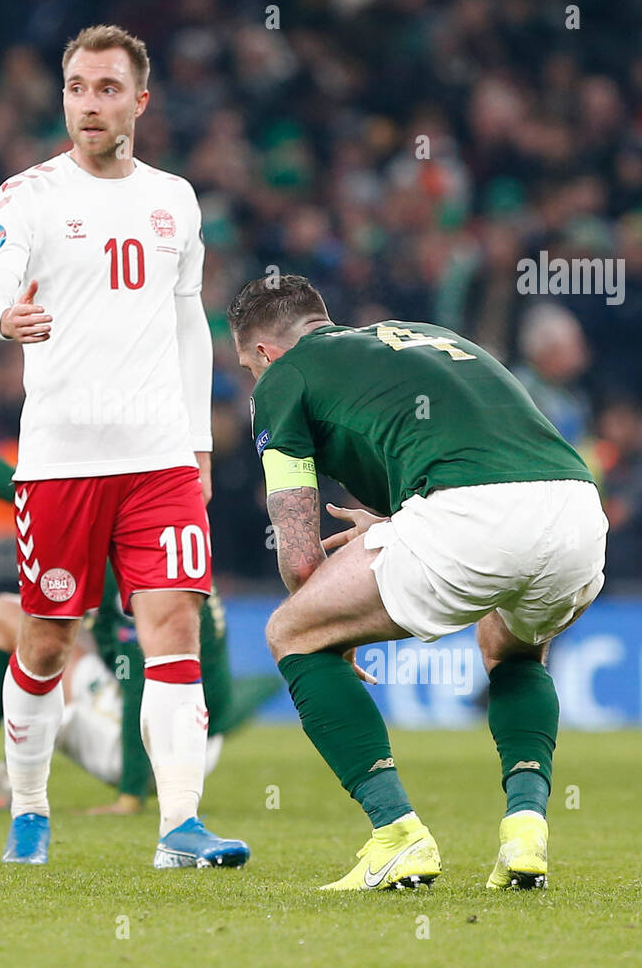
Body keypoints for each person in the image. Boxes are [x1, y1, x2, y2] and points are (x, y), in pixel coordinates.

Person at [0, 24, 247, 867]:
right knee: (49, 638)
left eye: (107, 89)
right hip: (61, 459)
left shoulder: (175, 199)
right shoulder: (26, 195)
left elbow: (188, 324)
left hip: (157, 456)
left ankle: (178, 829)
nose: (90, 104)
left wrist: (197, 441)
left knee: (174, 625)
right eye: (78, 88)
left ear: (140, 101)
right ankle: (27, 807)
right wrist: (2, 319)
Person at [228, 275, 607, 891]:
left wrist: (334, 624)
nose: (255, 379)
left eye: (249, 367)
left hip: (473, 516)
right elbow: (475, 448)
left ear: (266, 353)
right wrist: (395, 525)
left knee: (293, 633)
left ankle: (397, 835)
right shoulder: (425, 338)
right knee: (511, 649)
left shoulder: (283, 377)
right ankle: (526, 827)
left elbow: (298, 560)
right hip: (577, 510)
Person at [0, 403, 281, 810]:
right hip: (189, 725)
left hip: (166, 746)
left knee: (41, 649)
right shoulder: (145, 508)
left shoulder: (124, 538)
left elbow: (139, 672)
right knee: (13, 618)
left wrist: (130, 797)